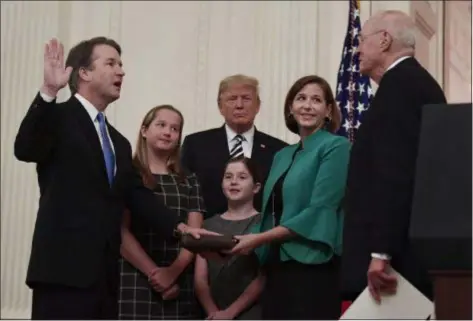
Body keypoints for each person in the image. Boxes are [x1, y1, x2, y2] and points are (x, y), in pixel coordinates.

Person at [13, 37, 216, 320]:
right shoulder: (57, 118)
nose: (121, 71)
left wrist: (182, 229)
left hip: (106, 280)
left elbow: (137, 195)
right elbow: (25, 149)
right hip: (61, 273)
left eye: (121, 64)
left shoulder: (118, 142)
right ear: (83, 73)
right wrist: (48, 91)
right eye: (111, 63)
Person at [341, 10, 447, 304]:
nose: (357, 49)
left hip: (397, 264)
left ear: (384, 40)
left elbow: (394, 174)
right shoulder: (412, 82)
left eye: (362, 40)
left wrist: (380, 253)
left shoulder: (400, 87)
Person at [230, 75, 351, 320]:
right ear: (290, 107)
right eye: (301, 98)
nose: (307, 105)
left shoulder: (337, 147)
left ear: (328, 111)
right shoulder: (282, 155)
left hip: (314, 266)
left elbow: (320, 210)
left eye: (316, 100)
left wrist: (258, 239)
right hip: (276, 267)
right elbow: (270, 212)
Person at [119, 105, 205, 319]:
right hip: (135, 277)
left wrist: (172, 273)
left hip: (179, 279)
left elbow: (195, 233)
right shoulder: (128, 175)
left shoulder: (189, 180)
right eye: (161, 125)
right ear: (144, 130)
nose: (168, 132)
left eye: (175, 129)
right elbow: (120, 232)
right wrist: (155, 275)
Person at [181, 74, 287, 218]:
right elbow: (184, 194)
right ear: (220, 106)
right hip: (207, 233)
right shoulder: (195, 144)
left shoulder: (279, 150)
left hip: (261, 234)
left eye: (246, 98)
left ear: (258, 106)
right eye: (232, 99)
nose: (239, 105)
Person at [194, 156, 264, 320]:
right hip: (213, 314)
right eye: (228, 176)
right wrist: (214, 313)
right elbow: (200, 280)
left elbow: (263, 277)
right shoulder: (207, 225)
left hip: (252, 314)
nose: (234, 181)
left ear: (256, 187)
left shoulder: (264, 225)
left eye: (242, 177)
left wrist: (230, 313)